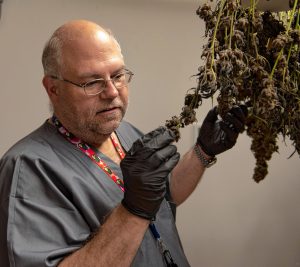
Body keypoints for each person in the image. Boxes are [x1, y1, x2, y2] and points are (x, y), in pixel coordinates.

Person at [0, 20, 247, 267]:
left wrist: (202, 152)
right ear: (53, 89)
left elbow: (164, 196)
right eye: (92, 82)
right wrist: (133, 209)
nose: (111, 92)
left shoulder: (124, 133)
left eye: (118, 76)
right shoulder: (29, 169)